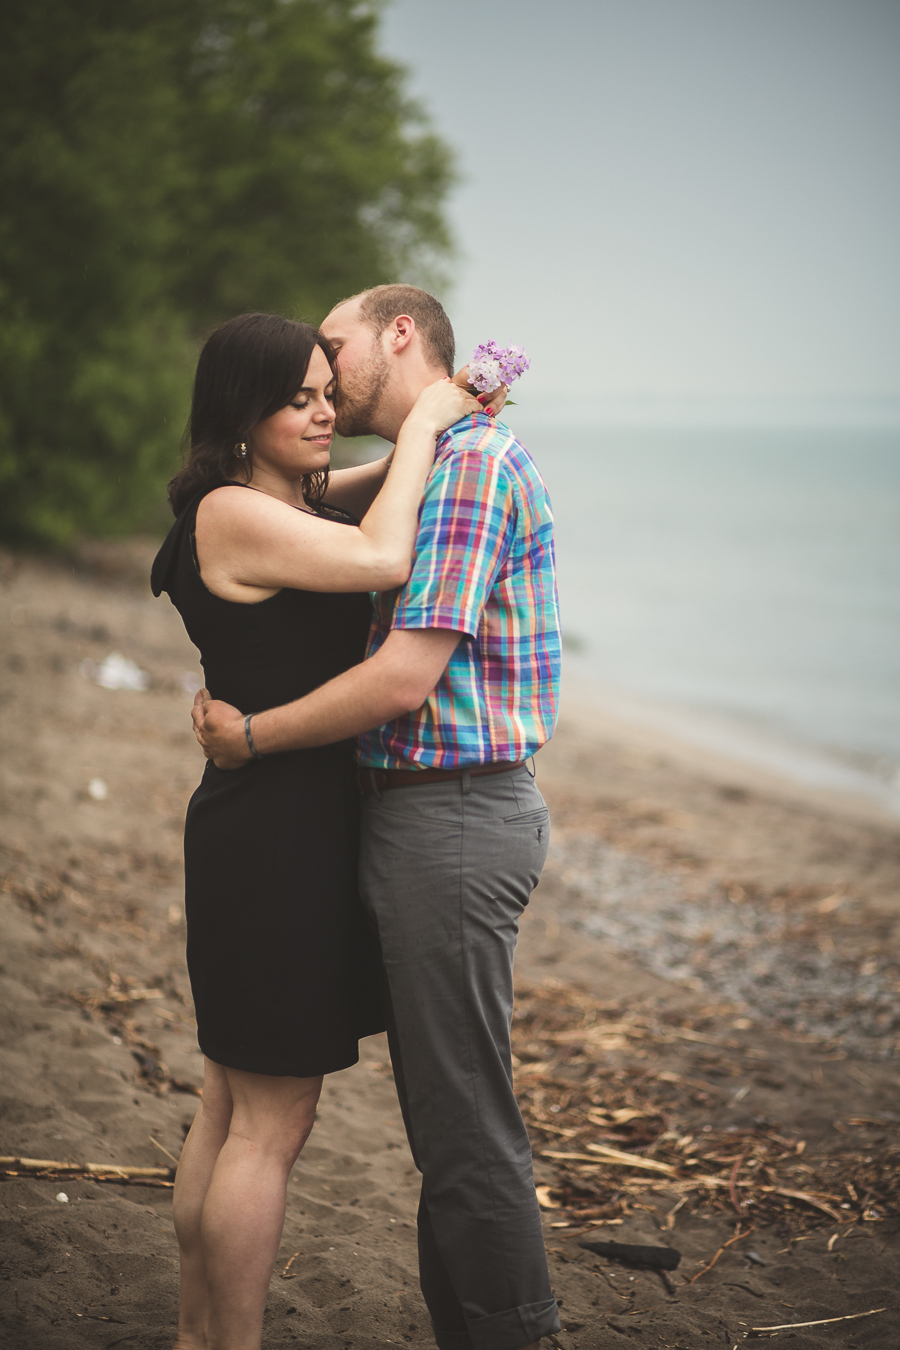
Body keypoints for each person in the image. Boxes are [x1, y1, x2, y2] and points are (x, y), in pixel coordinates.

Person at [193, 285, 563, 1350]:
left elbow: (405, 678)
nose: (323, 370)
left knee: (463, 1129)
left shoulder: (469, 471)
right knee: (444, 1125)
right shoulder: (432, 466)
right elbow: (327, 511)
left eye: (335, 349)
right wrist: (436, 417)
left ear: (399, 334)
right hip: (407, 818)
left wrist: (253, 736)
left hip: (449, 820)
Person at [150, 310, 480, 1350]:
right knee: (272, 1124)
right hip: (277, 838)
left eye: (326, 392)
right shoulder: (235, 514)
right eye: (296, 399)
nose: (322, 411)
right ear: (242, 417)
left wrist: (440, 426)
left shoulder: (269, 499)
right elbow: (386, 558)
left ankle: (201, 1334)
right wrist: (429, 412)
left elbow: (372, 491)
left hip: (264, 823)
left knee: (228, 1101)